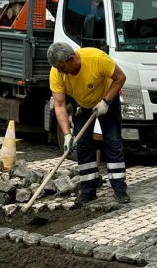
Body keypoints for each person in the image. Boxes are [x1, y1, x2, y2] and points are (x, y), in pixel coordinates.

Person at [47, 42, 130, 205]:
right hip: (81, 104)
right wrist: (66, 134)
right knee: (83, 144)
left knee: (112, 141)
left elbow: (121, 78)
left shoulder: (96, 59)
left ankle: (120, 189)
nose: (60, 71)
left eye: (62, 67)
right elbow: (59, 105)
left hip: (107, 100)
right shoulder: (56, 73)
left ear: (71, 58)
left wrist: (106, 102)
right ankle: (88, 190)